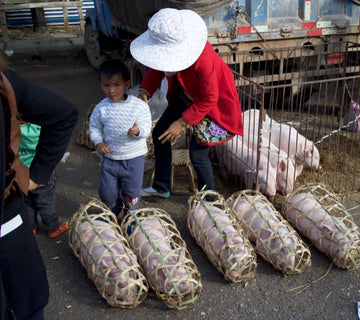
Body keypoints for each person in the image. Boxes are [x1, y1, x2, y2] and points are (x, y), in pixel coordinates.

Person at [130, 8, 243, 199]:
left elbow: (209, 98)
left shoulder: (202, 58)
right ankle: (161, 186)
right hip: (185, 95)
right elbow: (155, 70)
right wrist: (144, 93)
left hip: (214, 108)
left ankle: (210, 198)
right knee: (160, 135)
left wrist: (181, 122)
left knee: (197, 153)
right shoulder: (165, 52)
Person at [0, 56, 78, 319]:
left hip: (9, 222)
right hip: (10, 222)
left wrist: (36, 175)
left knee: (25, 303)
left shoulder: (5, 83)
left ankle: (48, 223)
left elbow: (63, 116)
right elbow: (63, 115)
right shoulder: (5, 81)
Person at [89, 59, 152, 216]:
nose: (111, 90)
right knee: (107, 192)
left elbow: (147, 128)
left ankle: (130, 217)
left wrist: (138, 131)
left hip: (134, 159)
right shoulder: (101, 108)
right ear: (100, 85)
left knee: (132, 193)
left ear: (127, 84)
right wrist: (99, 143)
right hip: (110, 158)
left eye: (117, 85)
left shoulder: (138, 106)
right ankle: (114, 211)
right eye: (106, 85)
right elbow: (95, 128)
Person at [19, 122, 69, 238]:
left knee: (27, 203)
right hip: (41, 175)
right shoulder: (38, 128)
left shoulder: (15, 129)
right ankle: (53, 228)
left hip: (23, 175)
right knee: (46, 205)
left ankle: (31, 227)